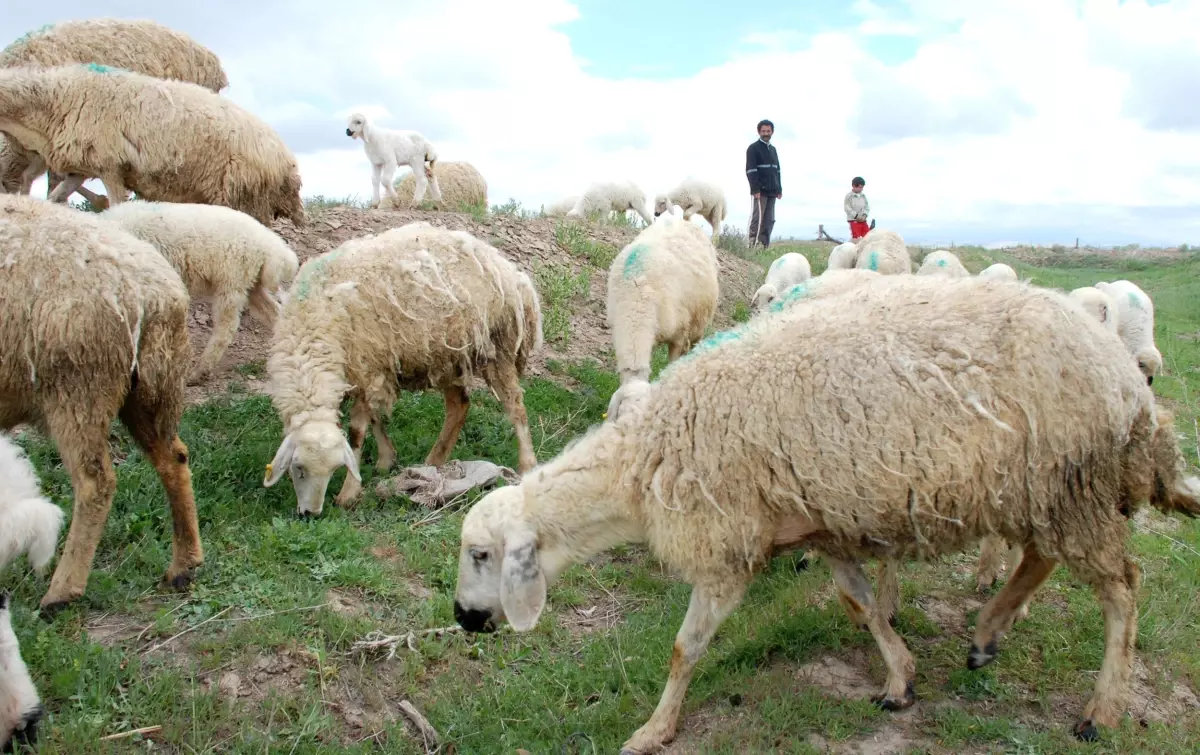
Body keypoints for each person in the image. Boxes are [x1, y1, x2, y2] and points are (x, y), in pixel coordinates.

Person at [745, 119, 782, 248]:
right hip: (760, 191)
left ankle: (763, 246)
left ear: (772, 132)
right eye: (763, 131)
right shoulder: (753, 148)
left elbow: (777, 170)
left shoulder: (773, 150)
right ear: (759, 132)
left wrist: (779, 189)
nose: (766, 133)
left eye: (768, 131)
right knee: (757, 219)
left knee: (769, 220)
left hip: (773, 191)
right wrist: (755, 189)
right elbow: (750, 170)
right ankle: (752, 245)